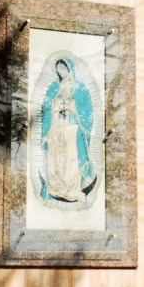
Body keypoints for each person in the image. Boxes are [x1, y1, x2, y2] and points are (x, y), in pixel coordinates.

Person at [40, 57, 96, 203]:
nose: (61, 71)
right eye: (58, 69)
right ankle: (55, 186)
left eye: (63, 68)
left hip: (71, 126)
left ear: (69, 69)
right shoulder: (54, 86)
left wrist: (71, 105)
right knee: (55, 156)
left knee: (70, 157)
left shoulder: (80, 87)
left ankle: (72, 187)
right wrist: (55, 105)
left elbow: (86, 110)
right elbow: (46, 107)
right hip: (56, 126)